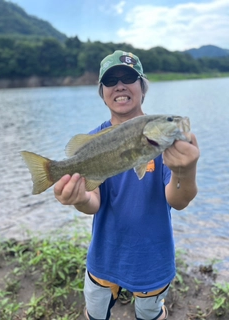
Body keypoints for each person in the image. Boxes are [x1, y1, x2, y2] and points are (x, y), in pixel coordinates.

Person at [54, 50, 200, 320]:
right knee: (96, 313)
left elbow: (178, 200)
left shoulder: (165, 146)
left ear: (142, 87)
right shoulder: (93, 139)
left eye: (129, 78)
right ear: (103, 92)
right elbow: (92, 201)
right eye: (111, 81)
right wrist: (79, 198)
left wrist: (185, 171)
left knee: (149, 313)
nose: (120, 85)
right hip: (104, 257)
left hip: (153, 260)